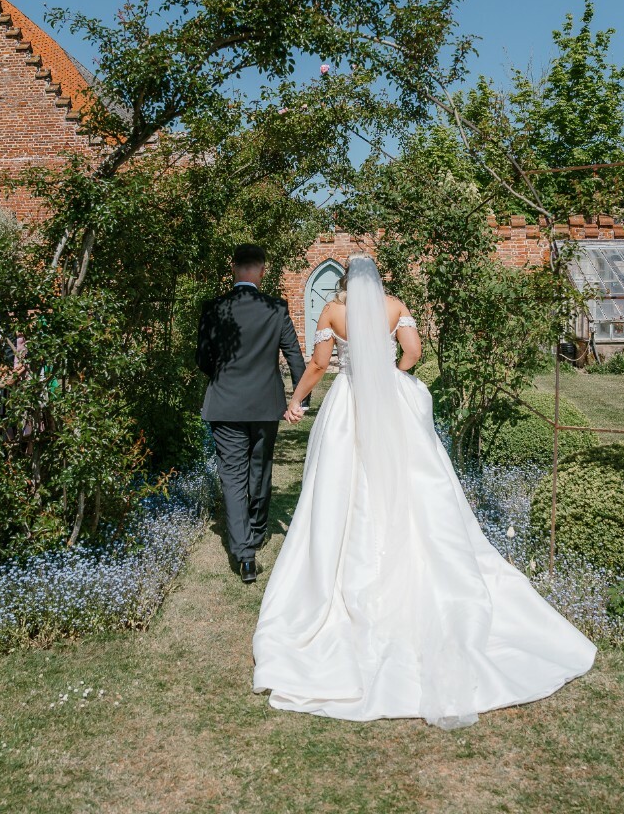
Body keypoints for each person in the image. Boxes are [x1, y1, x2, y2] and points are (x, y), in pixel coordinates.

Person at [252, 253, 596, 729]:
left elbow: (318, 363)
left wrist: (297, 399)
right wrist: (391, 376)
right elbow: (412, 353)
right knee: (414, 481)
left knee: (343, 484)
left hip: (349, 403)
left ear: (347, 280)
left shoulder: (333, 311)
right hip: (393, 402)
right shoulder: (395, 306)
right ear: (378, 280)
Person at [196, 244, 307, 584]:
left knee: (232, 476)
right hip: (265, 404)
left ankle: (245, 556)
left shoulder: (214, 307)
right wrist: (300, 400)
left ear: (233, 268)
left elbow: (202, 358)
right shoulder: (276, 308)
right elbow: (294, 355)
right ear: (262, 270)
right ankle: (257, 531)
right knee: (260, 468)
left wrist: (224, 377)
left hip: (225, 404)